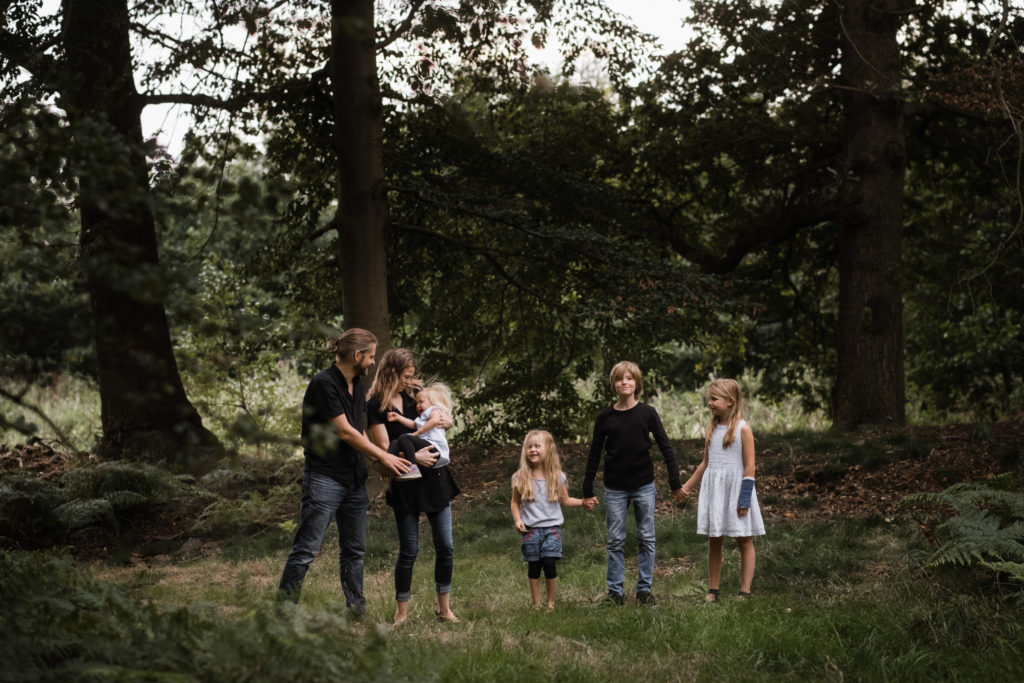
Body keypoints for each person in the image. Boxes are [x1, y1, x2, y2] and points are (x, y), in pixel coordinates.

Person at [277, 328, 410, 614]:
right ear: (356, 355)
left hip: (353, 480)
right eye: (371, 356)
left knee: (354, 551)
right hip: (324, 477)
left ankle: (355, 610)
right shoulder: (323, 384)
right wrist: (382, 456)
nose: (373, 362)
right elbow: (344, 432)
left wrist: (378, 460)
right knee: (306, 550)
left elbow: (358, 429)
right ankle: (284, 612)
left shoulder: (357, 385)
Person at [366, 349, 460, 625]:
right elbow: (383, 447)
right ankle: (401, 613)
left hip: (436, 481)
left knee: (446, 546)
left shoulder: (415, 395)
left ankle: (444, 608)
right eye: (406, 376)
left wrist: (446, 420)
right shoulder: (375, 405)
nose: (410, 381)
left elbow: (441, 418)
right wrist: (414, 458)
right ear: (392, 373)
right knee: (409, 549)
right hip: (406, 481)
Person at [582, 361, 686, 607]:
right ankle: (615, 592)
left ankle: (644, 590)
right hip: (615, 487)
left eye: (629, 378)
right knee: (615, 539)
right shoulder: (605, 417)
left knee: (646, 537)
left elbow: (666, 447)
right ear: (614, 385)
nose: (625, 382)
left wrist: (675, 481)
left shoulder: (647, 413)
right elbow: (595, 453)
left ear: (636, 384)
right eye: (620, 379)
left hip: (643, 486)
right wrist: (587, 489)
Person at [679, 378, 766, 601]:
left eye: (714, 399)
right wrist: (686, 487)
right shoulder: (712, 428)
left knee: (744, 540)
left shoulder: (743, 429)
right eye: (709, 398)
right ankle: (713, 590)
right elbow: (705, 463)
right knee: (714, 539)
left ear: (730, 401)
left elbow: (750, 466)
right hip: (715, 491)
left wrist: (744, 498)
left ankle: (744, 591)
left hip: (737, 491)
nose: (709, 403)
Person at [510, 429, 591, 611]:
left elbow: (565, 500)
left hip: (552, 529)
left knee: (549, 563)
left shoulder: (557, 476)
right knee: (534, 565)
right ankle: (537, 604)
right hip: (529, 529)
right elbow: (515, 503)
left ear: (548, 449)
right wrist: (517, 520)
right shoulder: (520, 477)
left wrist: (583, 502)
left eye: (538, 446)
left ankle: (550, 602)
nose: (533, 450)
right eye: (529, 446)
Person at [385, 382, 453, 482]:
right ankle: (388, 465)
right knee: (396, 442)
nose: (417, 405)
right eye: (416, 403)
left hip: (435, 448)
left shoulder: (435, 410)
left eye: (421, 402)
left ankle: (412, 468)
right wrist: (398, 417)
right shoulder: (423, 417)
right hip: (427, 446)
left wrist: (417, 433)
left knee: (404, 437)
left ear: (433, 402)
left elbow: (434, 421)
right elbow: (413, 424)